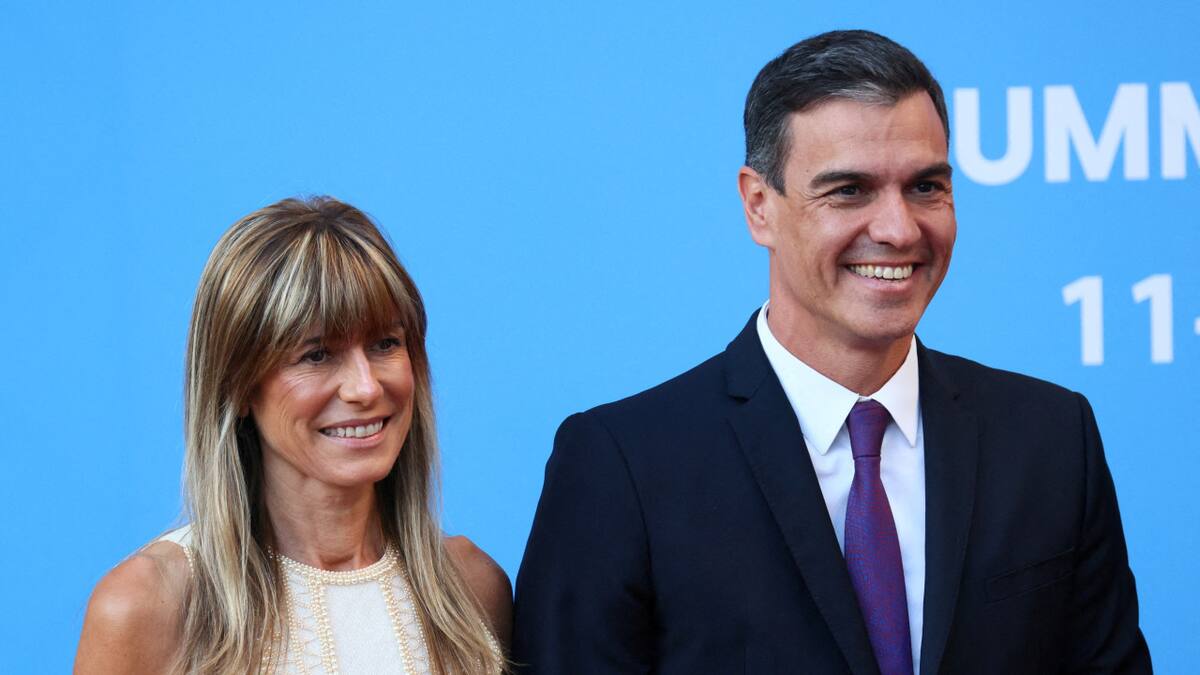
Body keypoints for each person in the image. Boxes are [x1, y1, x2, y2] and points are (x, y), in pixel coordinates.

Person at [512, 30, 1151, 674]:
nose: (899, 229)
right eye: (848, 191)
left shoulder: (1051, 438)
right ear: (759, 206)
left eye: (926, 187)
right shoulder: (622, 466)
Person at [76, 197, 511, 674]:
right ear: (237, 385)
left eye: (386, 343)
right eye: (317, 354)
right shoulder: (146, 604)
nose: (366, 387)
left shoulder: (472, 587)